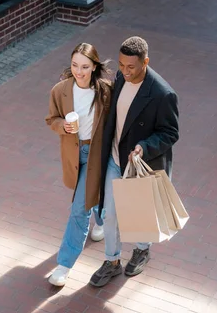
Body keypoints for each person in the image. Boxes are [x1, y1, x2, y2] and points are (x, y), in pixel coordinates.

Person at [89, 36, 179, 287]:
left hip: (140, 163)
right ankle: (112, 261)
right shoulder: (120, 78)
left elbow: (171, 133)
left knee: (139, 214)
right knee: (111, 215)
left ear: (145, 62)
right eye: (121, 65)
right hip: (115, 159)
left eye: (131, 67)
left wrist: (144, 147)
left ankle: (142, 249)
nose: (125, 72)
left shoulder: (162, 94)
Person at [45, 43, 112, 286]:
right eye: (75, 65)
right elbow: (51, 119)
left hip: (97, 154)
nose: (79, 71)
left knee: (78, 210)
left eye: (85, 66)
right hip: (74, 155)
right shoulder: (60, 90)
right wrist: (63, 125)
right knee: (89, 197)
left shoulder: (106, 91)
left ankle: (64, 265)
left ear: (94, 67)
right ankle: (102, 219)